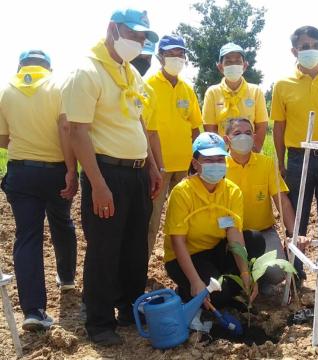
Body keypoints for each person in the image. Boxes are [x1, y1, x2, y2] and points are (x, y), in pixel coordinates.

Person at [62, 8, 162, 346]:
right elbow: (77, 132)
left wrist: (150, 165)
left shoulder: (130, 73)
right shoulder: (87, 72)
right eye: (133, 34)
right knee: (105, 249)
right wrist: (98, 185)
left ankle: (129, 308)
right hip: (106, 173)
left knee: (135, 247)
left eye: (143, 37)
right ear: (112, 29)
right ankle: (100, 322)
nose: (138, 41)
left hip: (135, 173)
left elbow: (139, 124)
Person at [0, 50, 78, 331]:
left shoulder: (6, 90)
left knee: (27, 236)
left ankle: (33, 310)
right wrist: (71, 170)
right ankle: (67, 278)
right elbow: (66, 129)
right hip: (55, 169)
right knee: (62, 222)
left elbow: (3, 138)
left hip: (21, 172)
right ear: (48, 66)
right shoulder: (59, 86)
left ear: (21, 66)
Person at [271, 26, 318, 290]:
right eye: (304, 46)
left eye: (314, 44)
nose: (309, 49)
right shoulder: (282, 85)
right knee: (296, 219)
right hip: (298, 159)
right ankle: (296, 271)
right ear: (294, 51)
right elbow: (278, 127)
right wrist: (280, 161)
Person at [164, 132, 265, 308]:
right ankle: (188, 290)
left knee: (254, 239)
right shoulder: (183, 192)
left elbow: (234, 234)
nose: (216, 164)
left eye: (220, 159)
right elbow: (177, 241)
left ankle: (225, 289)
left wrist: (245, 273)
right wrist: (195, 281)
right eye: (209, 160)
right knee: (218, 296)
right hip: (187, 256)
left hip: (214, 250)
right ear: (196, 164)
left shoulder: (232, 191)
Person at [224, 117, 306, 295]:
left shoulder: (266, 164)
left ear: (254, 137)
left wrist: (294, 233)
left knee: (277, 273)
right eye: (237, 133)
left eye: (247, 133)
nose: (243, 137)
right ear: (226, 139)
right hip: (230, 235)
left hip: (264, 231)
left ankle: (261, 280)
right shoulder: (220, 167)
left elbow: (282, 200)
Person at [146, 34, 202, 258]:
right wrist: (153, 165)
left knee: (186, 218)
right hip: (158, 167)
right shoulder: (148, 86)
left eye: (180, 54)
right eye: (171, 54)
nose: (176, 58)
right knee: (152, 219)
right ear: (160, 57)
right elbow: (146, 129)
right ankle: (142, 265)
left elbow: (196, 127)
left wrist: (198, 161)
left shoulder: (187, 89)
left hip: (185, 166)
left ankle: (183, 262)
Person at [203, 42, 268, 152]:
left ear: (245, 66)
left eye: (238, 61)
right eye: (228, 62)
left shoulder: (255, 91)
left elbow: (261, 125)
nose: (233, 65)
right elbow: (210, 128)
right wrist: (220, 153)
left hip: (250, 152)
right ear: (220, 67)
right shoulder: (212, 92)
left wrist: (254, 150)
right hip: (223, 154)